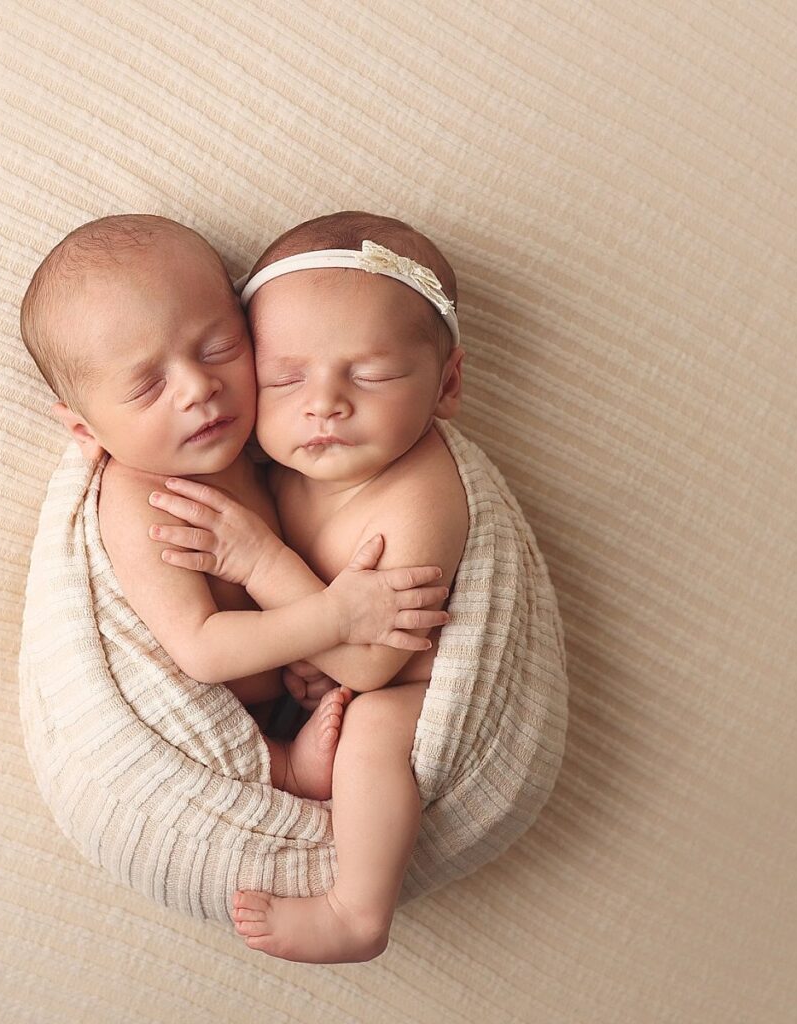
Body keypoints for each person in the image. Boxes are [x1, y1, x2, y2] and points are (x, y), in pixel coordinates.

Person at [18, 213, 451, 804]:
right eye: (147, 386)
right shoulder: (144, 494)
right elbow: (200, 647)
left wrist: (309, 655)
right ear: (84, 426)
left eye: (220, 348)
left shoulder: (261, 451)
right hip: (226, 715)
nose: (199, 387)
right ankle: (284, 771)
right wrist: (335, 619)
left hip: (293, 684)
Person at [145, 211, 468, 963]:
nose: (323, 402)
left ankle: (360, 911)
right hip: (312, 684)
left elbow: (369, 664)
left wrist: (261, 564)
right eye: (285, 378)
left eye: (371, 374)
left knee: (373, 736)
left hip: (398, 690)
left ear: (447, 385)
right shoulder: (278, 466)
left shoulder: (418, 491)